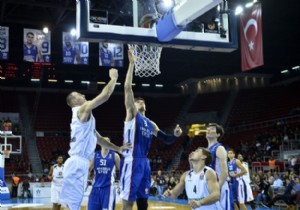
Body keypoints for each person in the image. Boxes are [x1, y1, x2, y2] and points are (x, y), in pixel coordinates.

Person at [120, 49, 182, 210]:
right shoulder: (132, 114)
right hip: (132, 159)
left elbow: (166, 139)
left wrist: (174, 135)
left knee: (143, 200)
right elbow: (127, 87)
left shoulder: (151, 123)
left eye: (142, 101)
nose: (139, 101)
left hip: (144, 163)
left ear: (145, 105)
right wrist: (132, 64)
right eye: (137, 100)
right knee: (128, 201)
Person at [60, 68, 131, 210]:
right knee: (71, 205)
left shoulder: (84, 120)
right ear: (75, 100)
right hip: (77, 162)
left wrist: (117, 148)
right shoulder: (81, 109)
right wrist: (113, 79)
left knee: (73, 205)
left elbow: (99, 139)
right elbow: (105, 96)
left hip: (80, 163)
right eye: (80, 94)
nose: (83, 94)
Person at [206, 123, 233, 210]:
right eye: (208, 128)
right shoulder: (206, 150)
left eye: (212, 129)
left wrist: (216, 188)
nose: (209, 130)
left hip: (219, 186)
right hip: (208, 186)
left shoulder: (219, 148)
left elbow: (225, 172)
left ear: (218, 134)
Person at [87, 141, 120, 210]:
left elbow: (121, 170)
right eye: (103, 141)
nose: (105, 143)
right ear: (100, 144)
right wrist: (86, 180)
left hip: (108, 189)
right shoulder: (95, 155)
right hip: (95, 188)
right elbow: (88, 169)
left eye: (107, 142)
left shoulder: (115, 155)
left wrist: (121, 184)